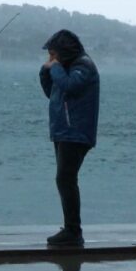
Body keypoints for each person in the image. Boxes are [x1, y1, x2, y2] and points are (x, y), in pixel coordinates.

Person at [39, 29, 100, 246]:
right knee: (65, 178)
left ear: (64, 52)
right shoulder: (65, 68)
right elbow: (53, 92)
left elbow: (70, 87)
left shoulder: (84, 66)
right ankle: (71, 229)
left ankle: (73, 230)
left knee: (65, 178)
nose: (51, 59)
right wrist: (45, 72)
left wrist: (55, 68)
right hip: (63, 130)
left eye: (53, 54)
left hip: (76, 132)